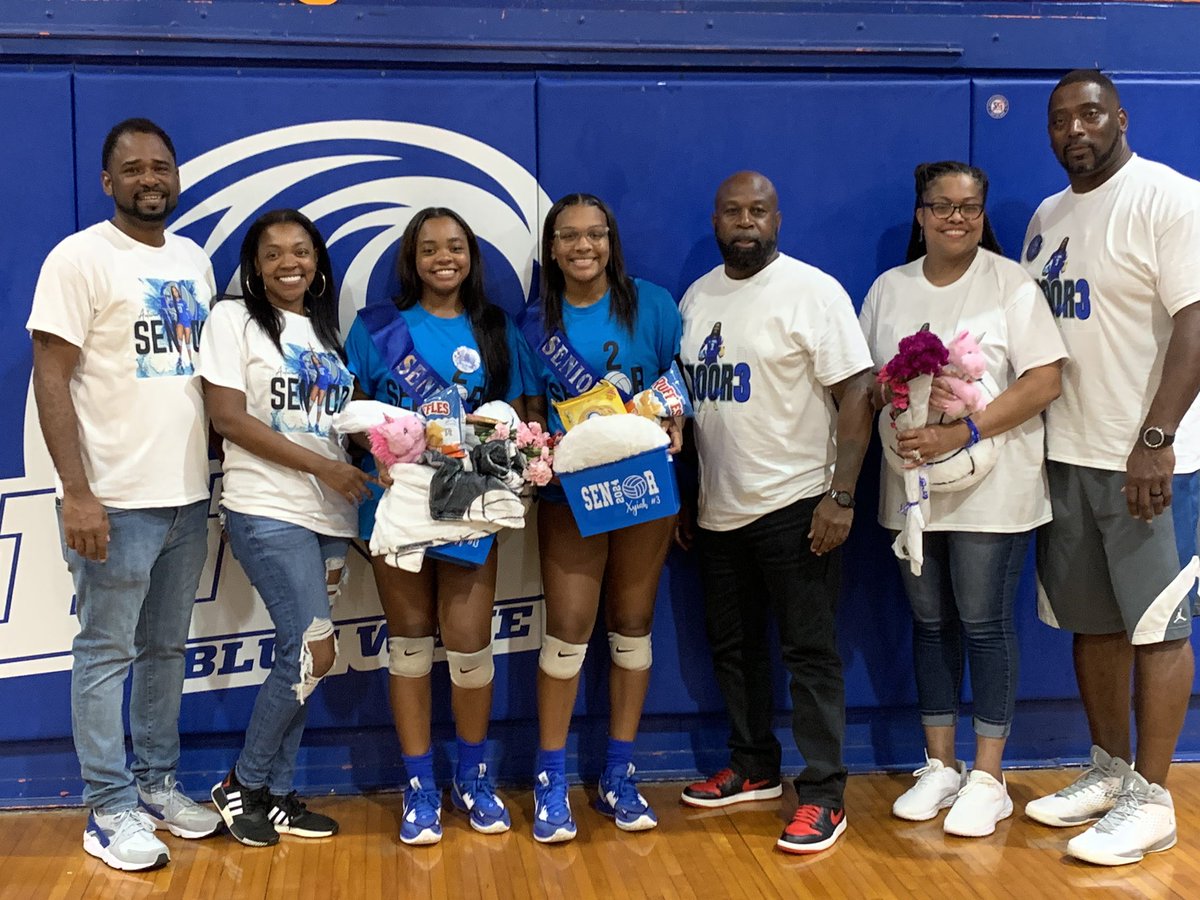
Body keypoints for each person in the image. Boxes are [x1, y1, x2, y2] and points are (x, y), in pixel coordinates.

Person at [27, 117, 221, 872]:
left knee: (165, 649)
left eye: (161, 167)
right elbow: (51, 374)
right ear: (108, 182)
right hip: (111, 496)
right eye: (134, 168)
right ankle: (107, 809)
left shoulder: (195, 260)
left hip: (185, 496)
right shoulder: (79, 258)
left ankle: (156, 785)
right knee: (105, 652)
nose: (151, 178)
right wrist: (77, 492)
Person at [1021, 69, 1200, 867]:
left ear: (1120, 116)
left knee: (1157, 624)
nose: (1075, 130)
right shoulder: (1047, 216)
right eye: (1060, 120)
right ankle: (1107, 768)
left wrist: (1155, 441)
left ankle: (1151, 798)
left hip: (1150, 462)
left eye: (1090, 113)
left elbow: (1197, 327)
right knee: (1092, 623)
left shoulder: (1170, 198)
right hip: (1069, 455)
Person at [859, 161, 1065, 837]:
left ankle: (988, 776)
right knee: (930, 624)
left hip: (993, 491)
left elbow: (1043, 381)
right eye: (941, 206)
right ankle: (940, 765)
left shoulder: (1010, 284)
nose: (956, 217)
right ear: (920, 215)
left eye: (969, 208)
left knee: (982, 622)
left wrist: (963, 429)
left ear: (982, 215)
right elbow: (864, 386)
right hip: (913, 491)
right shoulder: (888, 289)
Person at [677, 171, 874, 855]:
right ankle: (754, 766)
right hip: (717, 507)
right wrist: (683, 496)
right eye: (732, 210)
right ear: (715, 219)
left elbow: (859, 393)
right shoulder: (698, 296)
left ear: (778, 219)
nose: (745, 222)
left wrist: (841, 494)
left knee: (810, 655)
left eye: (758, 210)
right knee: (732, 648)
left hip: (798, 503)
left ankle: (823, 795)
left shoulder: (812, 292)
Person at [343, 207, 527, 846]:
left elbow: (522, 417)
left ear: (471, 255)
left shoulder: (497, 328)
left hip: (471, 506)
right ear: (411, 258)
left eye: (454, 246)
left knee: (471, 644)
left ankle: (473, 776)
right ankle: (419, 784)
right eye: (429, 248)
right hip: (396, 508)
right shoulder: (375, 329)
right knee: (411, 643)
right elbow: (350, 419)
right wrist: (378, 458)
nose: (442, 258)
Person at [202, 209, 368, 847]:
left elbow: (337, 424)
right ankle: (239, 785)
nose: (289, 263)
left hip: (330, 515)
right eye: (273, 254)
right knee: (311, 649)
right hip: (267, 508)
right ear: (255, 265)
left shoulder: (326, 333)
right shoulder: (232, 320)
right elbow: (229, 419)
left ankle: (274, 794)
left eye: (301, 251)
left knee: (307, 662)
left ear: (318, 261)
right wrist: (324, 468)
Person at [519, 193, 682, 843]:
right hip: (571, 495)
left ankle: (619, 772)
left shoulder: (654, 304)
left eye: (595, 235)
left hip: (644, 486)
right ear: (552, 248)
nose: (583, 246)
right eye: (569, 236)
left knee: (633, 627)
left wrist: (659, 417)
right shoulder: (535, 323)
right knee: (567, 630)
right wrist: (544, 453)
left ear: (611, 241)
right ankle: (550, 779)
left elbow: (683, 382)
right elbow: (531, 412)